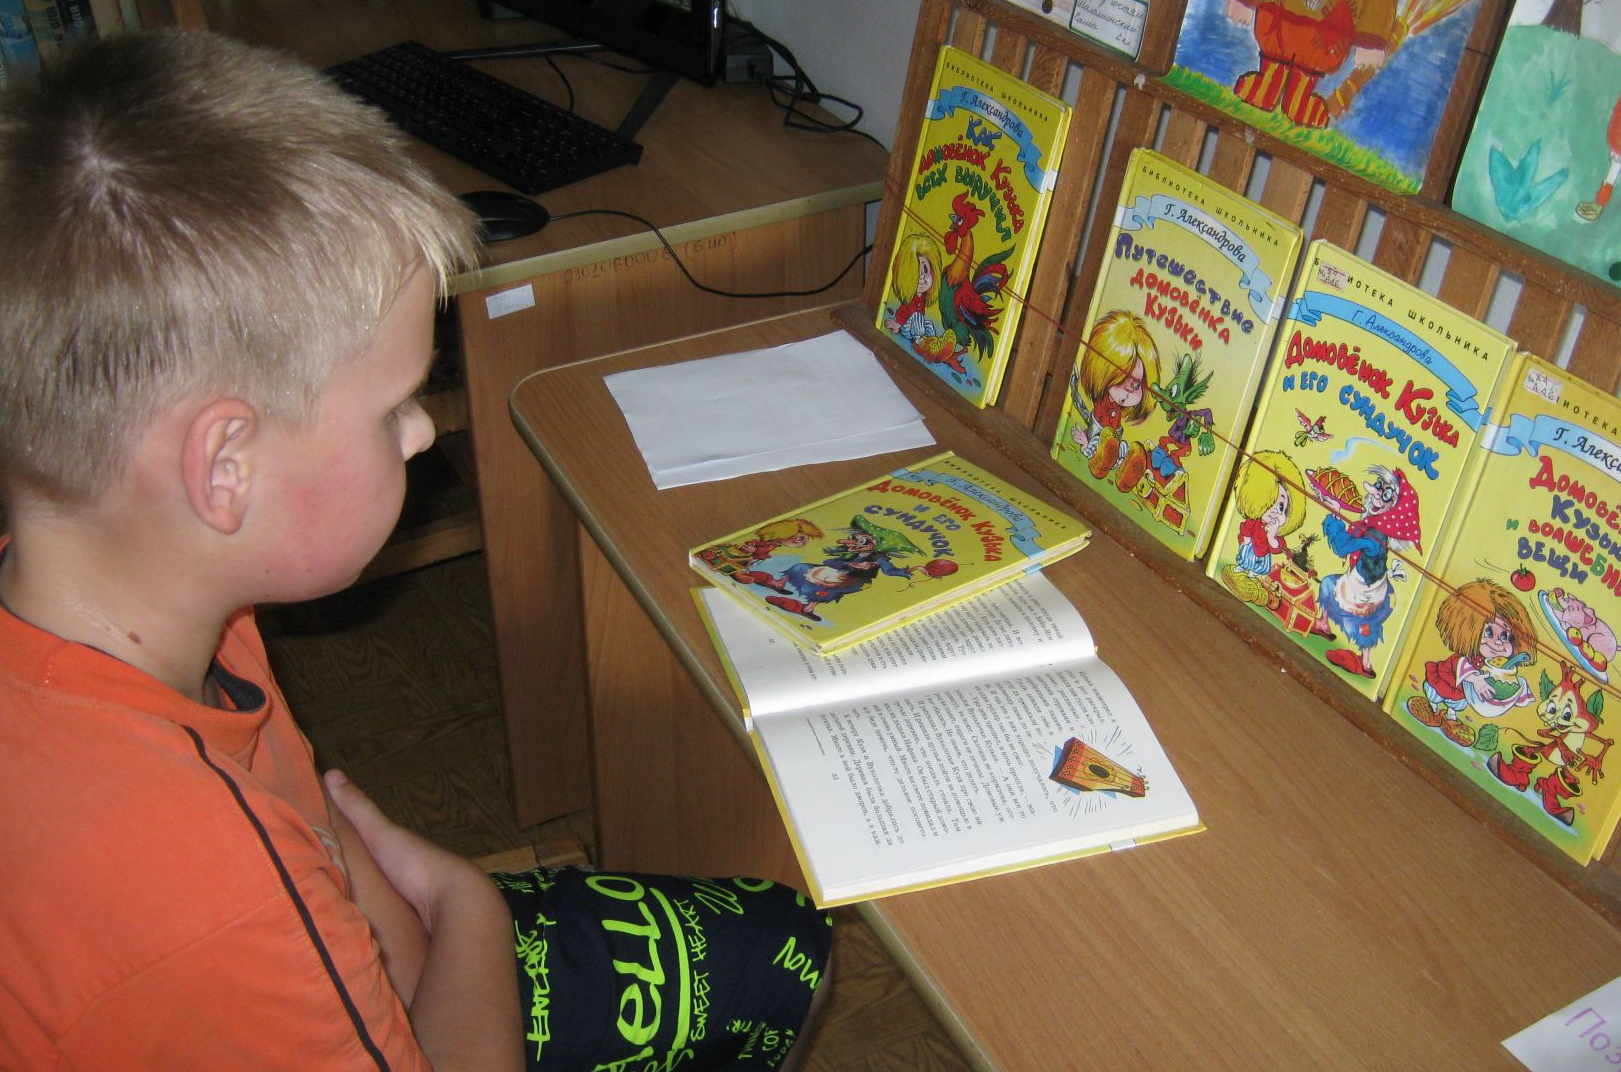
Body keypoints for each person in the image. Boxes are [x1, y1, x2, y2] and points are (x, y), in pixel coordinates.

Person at [0, 30, 829, 1072]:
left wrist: (395, 923)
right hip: (281, 957)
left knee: (766, 940)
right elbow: (291, 910)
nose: (424, 431)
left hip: (314, 939)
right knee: (781, 959)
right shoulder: (208, 898)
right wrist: (464, 902)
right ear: (225, 469)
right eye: (392, 406)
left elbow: (318, 843)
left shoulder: (147, 587)